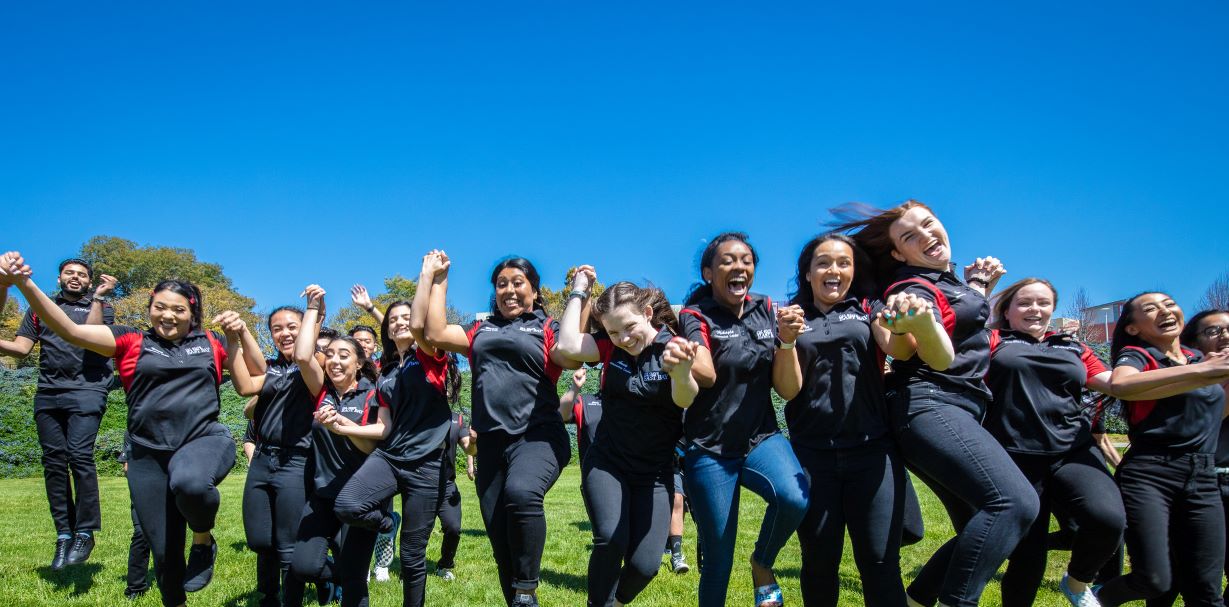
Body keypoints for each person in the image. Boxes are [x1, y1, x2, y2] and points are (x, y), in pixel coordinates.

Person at [2, 251, 266, 607]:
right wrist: (23, 283)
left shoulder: (211, 342)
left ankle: (203, 539)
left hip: (202, 440)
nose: (168, 315)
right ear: (150, 307)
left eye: (178, 309)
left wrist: (240, 333)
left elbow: (254, 374)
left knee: (190, 484)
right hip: (146, 452)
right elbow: (70, 329)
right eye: (160, 306)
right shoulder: (129, 340)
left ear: (192, 314)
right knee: (164, 551)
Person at [833, 201, 1039, 607]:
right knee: (1014, 502)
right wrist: (912, 318)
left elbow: (966, 315)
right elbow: (913, 340)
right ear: (897, 254)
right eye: (910, 236)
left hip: (958, 408)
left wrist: (979, 285)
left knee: (981, 527)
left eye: (928, 225)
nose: (926, 235)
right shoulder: (912, 288)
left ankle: (918, 598)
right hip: (929, 406)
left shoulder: (945, 282)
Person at [417, 250, 574, 607]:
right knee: (502, 543)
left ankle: (528, 588)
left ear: (534, 290)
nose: (509, 290)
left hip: (538, 436)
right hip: (489, 445)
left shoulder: (546, 328)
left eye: (518, 283)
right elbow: (436, 331)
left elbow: (569, 352)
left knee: (521, 494)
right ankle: (517, 597)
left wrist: (581, 293)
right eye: (502, 284)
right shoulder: (479, 328)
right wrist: (439, 279)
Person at [772, 233, 906, 607]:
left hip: (872, 452)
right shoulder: (791, 316)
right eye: (824, 263)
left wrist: (896, 321)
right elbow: (788, 391)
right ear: (808, 272)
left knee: (880, 563)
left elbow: (897, 347)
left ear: (853, 270)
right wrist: (785, 341)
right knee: (818, 564)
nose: (834, 270)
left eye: (843, 262)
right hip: (812, 457)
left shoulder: (867, 307)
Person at [676, 233, 810, 607]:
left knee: (794, 498)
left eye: (746, 260)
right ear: (708, 272)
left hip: (761, 438)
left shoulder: (767, 308)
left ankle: (762, 562)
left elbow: (788, 391)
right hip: (709, 449)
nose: (739, 267)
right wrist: (688, 360)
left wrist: (786, 340)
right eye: (727, 261)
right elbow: (705, 371)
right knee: (718, 560)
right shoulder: (695, 314)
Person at [555, 270, 700, 607]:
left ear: (647, 314)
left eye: (629, 326)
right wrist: (579, 291)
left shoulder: (669, 346)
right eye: (612, 331)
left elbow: (685, 398)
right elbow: (566, 344)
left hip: (655, 473)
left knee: (646, 566)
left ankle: (615, 603)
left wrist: (680, 373)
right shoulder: (610, 349)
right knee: (610, 538)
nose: (623, 337)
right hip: (608, 463)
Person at [981, 278, 1126, 607]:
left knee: (1108, 519)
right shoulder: (992, 339)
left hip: (1072, 449)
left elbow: (1114, 384)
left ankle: (1076, 583)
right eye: (1025, 302)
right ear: (1007, 310)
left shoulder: (1074, 346)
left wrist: (1195, 375)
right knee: (1027, 555)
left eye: (1043, 303)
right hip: (1014, 454)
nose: (1035, 309)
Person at [333, 257, 467, 607]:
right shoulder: (387, 372)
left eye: (405, 318)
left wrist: (430, 277)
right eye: (393, 322)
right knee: (347, 504)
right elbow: (384, 425)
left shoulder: (431, 356)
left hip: (425, 465)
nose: (400, 323)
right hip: (390, 457)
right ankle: (385, 523)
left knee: (411, 556)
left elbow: (420, 325)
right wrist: (348, 425)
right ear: (387, 332)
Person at [1094, 296, 1229, 607]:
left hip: (1203, 479)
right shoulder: (1138, 355)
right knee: (1154, 581)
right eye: (1152, 309)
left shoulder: (1199, 360)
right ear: (1133, 327)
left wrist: (1215, 370)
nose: (1166, 310)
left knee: (1207, 591)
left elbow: (1213, 417)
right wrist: (1206, 371)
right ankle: (1096, 599)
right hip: (1151, 476)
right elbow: (1122, 385)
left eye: (1170, 303)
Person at [0, 257, 115, 569]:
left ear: (89, 282)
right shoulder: (41, 309)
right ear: (60, 277)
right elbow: (21, 348)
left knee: (79, 455)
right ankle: (64, 534)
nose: (75, 278)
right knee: (53, 462)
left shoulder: (100, 307)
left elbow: (91, 337)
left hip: (88, 390)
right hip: (49, 393)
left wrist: (101, 295)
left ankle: (86, 531)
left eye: (81, 275)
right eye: (69, 273)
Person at [283, 285, 387, 607]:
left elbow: (374, 448)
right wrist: (314, 307)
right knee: (304, 565)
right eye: (330, 356)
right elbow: (302, 355)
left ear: (359, 363)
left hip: (360, 497)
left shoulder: (373, 393)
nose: (335, 362)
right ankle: (329, 579)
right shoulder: (321, 391)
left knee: (353, 576)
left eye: (345, 356)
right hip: (323, 494)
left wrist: (343, 427)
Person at [239, 305, 315, 607]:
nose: (285, 333)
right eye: (277, 328)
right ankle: (268, 594)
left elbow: (304, 356)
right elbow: (245, 384)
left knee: (287, 543)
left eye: (292, 326)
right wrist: (238, 335)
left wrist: (313, 310)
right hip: (262, 457)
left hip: (296, 461)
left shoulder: (315, 362)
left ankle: (286, 600)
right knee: (260, 540)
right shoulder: (269, 369)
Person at [119, 433, 153, 600]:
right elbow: (127, 467)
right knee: (141, 532)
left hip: (170, 485)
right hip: (142, 487)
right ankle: (135, 587)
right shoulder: (134, 430)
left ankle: (175, 580)